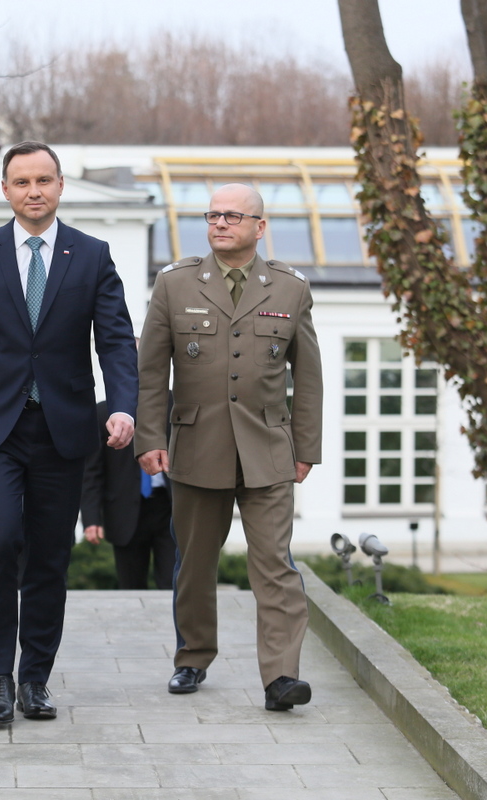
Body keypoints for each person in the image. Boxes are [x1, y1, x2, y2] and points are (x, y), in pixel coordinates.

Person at [0, 141, 139, 724]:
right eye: (21, 181)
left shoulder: (92, 255)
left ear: (60, 185)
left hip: (64, 430)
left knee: (49, 557)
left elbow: (117, 340)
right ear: (6, 190)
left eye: (43, 180)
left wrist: (122, 406)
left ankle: (35, 679)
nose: (33, 191)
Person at [135, 182, 323, 711]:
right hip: (196, 446)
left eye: (233, 217)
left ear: (259, 227)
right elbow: (150, 371)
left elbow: (308, 375)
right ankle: (193, 656)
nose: (220, 224)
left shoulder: (289, 288)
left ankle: (281, 677)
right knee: (194, 562)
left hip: (268, 449)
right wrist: (150, 438)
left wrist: (306, 446)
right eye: (213, 215)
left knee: (275, 565)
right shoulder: (174, 284)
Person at [80, 397, 175, 590]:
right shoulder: (103, 413)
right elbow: (92, 472)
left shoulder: (175, 404)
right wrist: (91, 519)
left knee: (173, 583)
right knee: (131, 587)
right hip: (123, 511)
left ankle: (172, 621)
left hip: (170, 508)